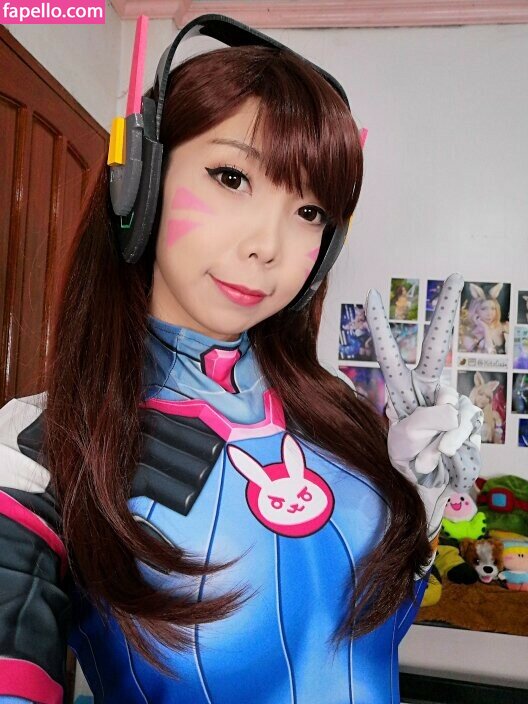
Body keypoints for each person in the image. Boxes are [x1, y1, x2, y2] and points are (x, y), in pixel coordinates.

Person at [0, 15, 483, 704]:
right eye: (231, 177)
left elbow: (365, 638)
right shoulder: (42, 451)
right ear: (139, 180)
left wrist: (415, 502)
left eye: (309, 212)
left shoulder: (344, 419)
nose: (269, 246)